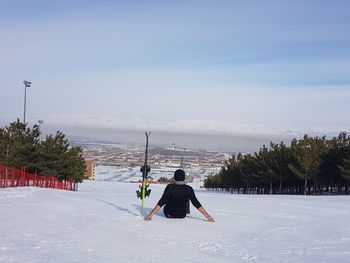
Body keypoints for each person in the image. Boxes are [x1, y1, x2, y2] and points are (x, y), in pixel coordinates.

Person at [145, 169, 215, 222]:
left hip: (169, 214)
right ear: (183, 177)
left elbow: (162, 201)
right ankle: (185, 210)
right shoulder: (188, 189)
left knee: (168, 199)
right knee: (188, 197)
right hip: (182, 215)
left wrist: (151, 214)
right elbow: (196, 203)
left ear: (175, 177)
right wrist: (208, 216)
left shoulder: (170, 187)